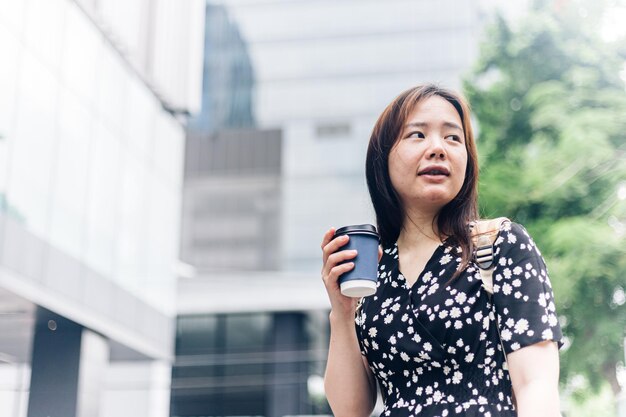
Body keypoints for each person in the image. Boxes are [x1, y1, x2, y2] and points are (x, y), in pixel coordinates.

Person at [320, 84, 563, 417]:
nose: (438, 148)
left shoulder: (500, 244)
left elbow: (537, 385)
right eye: (417, 135)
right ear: (383, 158)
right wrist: (342, 312)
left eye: (452, 138)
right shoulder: (374, 269)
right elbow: (351, 410)